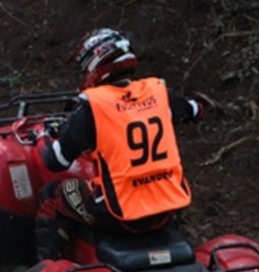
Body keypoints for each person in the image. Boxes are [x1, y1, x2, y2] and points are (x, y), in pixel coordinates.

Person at [34, 28, 205, 260]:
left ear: (96, 65)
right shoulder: (158, 92)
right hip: (167, 210)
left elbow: (55, 161)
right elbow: (195, 111)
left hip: (120, 216)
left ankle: (49, 267)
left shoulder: (93, 108)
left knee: (51, 195)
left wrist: (43, 136)